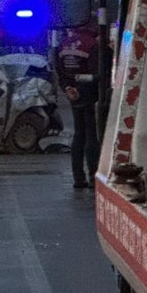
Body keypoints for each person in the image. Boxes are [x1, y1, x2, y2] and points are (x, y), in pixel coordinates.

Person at [57, 23, 101, 189]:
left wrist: (68, 87)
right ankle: (93, 176)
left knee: (78, 134)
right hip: (89, 93)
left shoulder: (64, 44)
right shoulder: (92, 44)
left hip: (73, 93)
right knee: (91, 135)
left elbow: (60, 71)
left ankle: (78, 177)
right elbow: (97, 73)